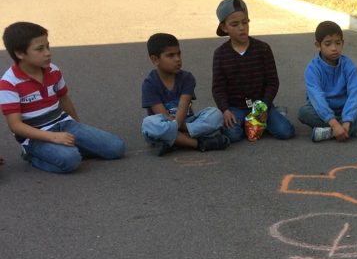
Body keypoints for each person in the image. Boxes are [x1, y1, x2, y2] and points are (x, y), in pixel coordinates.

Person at [0, 22, 125, 173]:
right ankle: (32, 156)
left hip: (64, 124)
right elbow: (16, 126)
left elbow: (64, 99)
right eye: (40, 49)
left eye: (48, 46)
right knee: (70, 160)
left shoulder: (53, 70)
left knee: (116, 148)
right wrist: (52, 137)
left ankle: (65, 149)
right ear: (20, 53)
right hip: (36, 137)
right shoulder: (9, 83)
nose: (47, 53)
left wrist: (79, 127)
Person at [212, 0, 294, 143]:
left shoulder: (263, 49)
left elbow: (272, 82)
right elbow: (218, 88)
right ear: (224, 27)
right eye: (235, 24)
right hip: (235, 107)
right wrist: (225, 110)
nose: (242, 28)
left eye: (245, 22)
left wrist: (264, 105)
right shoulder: (220, 54)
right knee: (233, 135)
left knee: (285, 131)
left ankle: (270, 116)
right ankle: (251, 123)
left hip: (261, 104)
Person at [141, 33, 230, 156]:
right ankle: (199, 143)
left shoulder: (187, 78)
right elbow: (162, 114)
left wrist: (179, 127)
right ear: (155, 60)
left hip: (187, 123)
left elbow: (183, 106)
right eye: (171, 55)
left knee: (215, 114)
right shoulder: (150, 84)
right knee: (149, 124)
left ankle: (174, 141)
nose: (177, 59)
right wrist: (173, 126)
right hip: (165, 123)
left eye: (178, 54)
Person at [298, 21, 357, 142]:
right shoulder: (312, 69)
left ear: (343, 43)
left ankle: (329, 133)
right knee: (304, 112)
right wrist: (334, 123)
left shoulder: (349, 65)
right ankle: (354, 129)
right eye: (328, 44)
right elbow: (317, 98)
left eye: (338, 43)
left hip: (345, 108)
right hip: (322, 110)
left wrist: (347, 122)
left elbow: (355, 94)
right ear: (318, 45)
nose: (334, 48)